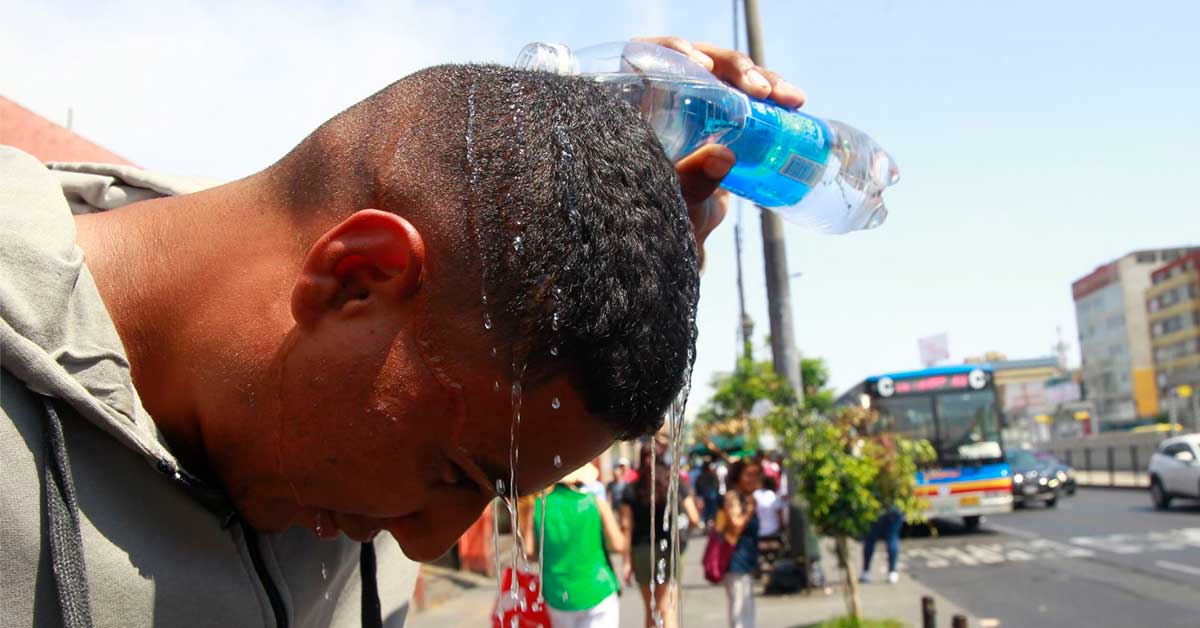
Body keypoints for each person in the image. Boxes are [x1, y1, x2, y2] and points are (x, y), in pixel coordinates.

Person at [1, 36, 803, 627]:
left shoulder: (353, 436)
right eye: (455, 472)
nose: (429, 544)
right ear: (355, 278)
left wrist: (593, 174)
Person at [519, 464, 624, 628]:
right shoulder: (594, 502)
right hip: (598, 589)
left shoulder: (538, 507)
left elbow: (529, 554)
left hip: (558, 594)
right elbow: (618, 545)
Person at [620, 443, 700, 628]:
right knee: (668, 608)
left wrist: (626, 562)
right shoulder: (676, 483)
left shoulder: (631, 489)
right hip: (670, 549)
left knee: (651, 609)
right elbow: (694, 518)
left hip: (642, 552)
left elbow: (626, 527)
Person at [720, 459, 762, 628]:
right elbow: (736, 527)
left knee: (747, 610)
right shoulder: (733, 497)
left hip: (747, 562)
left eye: (756, 475)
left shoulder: (747, 498)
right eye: (748, 475)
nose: (753, 479)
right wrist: (750, 511)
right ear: (738, 477)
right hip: (735, 562)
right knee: (740, 613)